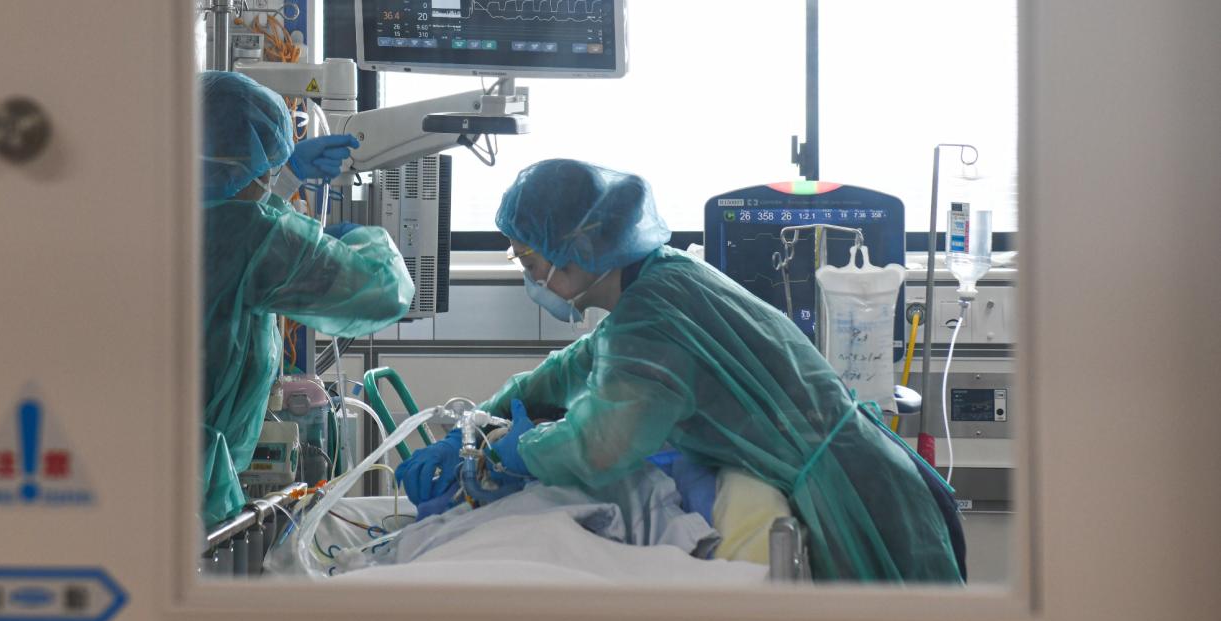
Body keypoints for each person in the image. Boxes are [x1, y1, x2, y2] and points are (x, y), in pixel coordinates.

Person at [397, 158, 962, 582]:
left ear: (578, 249)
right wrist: (483, 418)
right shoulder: (658, 283)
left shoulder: (653, 322)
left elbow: (598, 445)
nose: (529, 277)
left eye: (529, 260)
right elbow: (575, 367)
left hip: (853, 500)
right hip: (859, 473)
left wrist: (506, 453)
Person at [199, 71, 415, 527]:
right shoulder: (254, 239)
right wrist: (362, 237)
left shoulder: (142, 212)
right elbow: (381, 291)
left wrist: (286, 179)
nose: (272, 173)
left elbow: (231, 210)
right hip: (191, 488)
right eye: (268, 164)